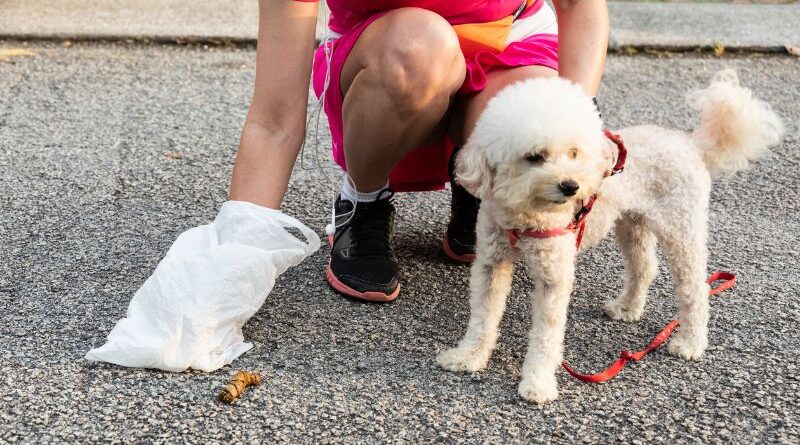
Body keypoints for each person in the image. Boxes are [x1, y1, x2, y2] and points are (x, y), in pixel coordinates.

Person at [229, 0, 609, 302]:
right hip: (391, 52)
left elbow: (577, 4)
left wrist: (579, 117)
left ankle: (477, 181)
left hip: (510, 35)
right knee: (419, 48)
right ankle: (363, 201)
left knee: (536, 118)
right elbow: (274, 121)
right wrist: (231, 262)